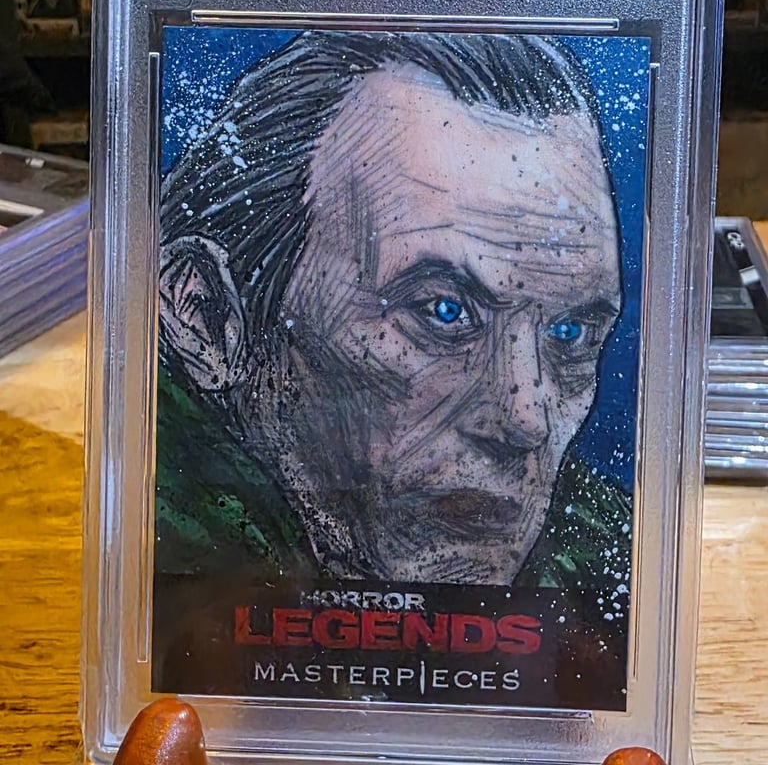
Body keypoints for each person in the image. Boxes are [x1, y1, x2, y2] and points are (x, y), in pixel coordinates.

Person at [156, 31, 629, 587]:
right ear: (205, 317)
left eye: (570, 333)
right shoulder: (150, 560)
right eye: (444, 311)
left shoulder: (613, 570)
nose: (526, 419)